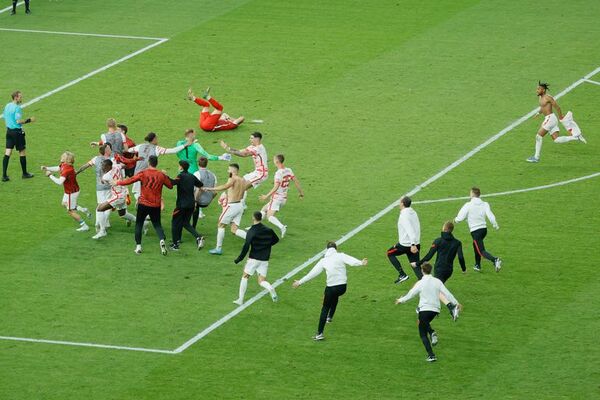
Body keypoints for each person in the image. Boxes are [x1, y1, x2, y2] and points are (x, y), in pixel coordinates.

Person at [293, 241, 368, 341]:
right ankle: (330, 317)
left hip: (331, 288)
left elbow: (312, 273)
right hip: (342, 287)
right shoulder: (341, 255)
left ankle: (319, 333)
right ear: (336, 248)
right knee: (335, 296)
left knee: (325, 308)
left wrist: (300, 282)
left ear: (326, 250)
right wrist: (361, 262)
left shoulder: (323, 260)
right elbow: (351, 261)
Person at [395, 263, 461, 362]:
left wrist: (400, 300)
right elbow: (447, 293)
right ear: (431, 270)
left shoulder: (420, 282)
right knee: (423, 323)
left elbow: (411, 294)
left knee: (422, 333)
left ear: (422, 270)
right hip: (435, 310)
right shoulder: (437, 281)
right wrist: (456, 303)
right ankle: (432, 332)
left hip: (424, 309)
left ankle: (431, 355)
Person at [116, 155, 173, 255]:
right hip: (156, 205)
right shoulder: (161, 175)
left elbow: (130, 180)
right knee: (157, 224)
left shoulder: (143, 173)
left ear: (148, 163)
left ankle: (138, 247)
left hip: (143, 203)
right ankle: (161, 240)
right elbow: (170, 186)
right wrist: (165, 175)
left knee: (139, 224)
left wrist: (118, 182)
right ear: (157, 163)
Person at [527, 81, 586, 163]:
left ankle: (536, 157)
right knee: (556, 139)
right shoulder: (540, 97)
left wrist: (561, 117)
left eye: (538, 89)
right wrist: (538, 113)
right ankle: (576, 137)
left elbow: (557, 107)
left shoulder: (548, 98)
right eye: (537, 89)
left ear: (543, 90)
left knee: (538, 136)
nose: (536, 90)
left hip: (550, 119)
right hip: (551, 119)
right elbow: (542, 107)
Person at [125, 132, 192, 202]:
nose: (157, 140)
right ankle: (142, 203)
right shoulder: (157, 149)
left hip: (138, 173)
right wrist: (185, 145)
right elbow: (172, 150)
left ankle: (140, 203)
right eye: (156, 138)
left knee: (137, 192)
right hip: (149, 175)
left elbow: (129, 150)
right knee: (148, 192)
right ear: (153, 139)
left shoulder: (140, 146)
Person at [233, 211, 280, 305]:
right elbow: (276, 240)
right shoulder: (268, 229)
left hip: (254, 258)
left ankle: (240, 300)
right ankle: (270, 287)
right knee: (261, 281)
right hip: (265, 259)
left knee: (245, 276)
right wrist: (266, 245)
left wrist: (239, 259)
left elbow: (246, 246)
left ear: (253, 218)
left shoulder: (252, 231)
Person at [203, 163, 249, 255]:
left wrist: (209, 189)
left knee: (221, 225)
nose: (227, 171)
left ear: (232, 171)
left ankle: (218, 248)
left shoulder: (232, 178)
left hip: (232, 206)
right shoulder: (243, 180)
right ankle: (255, 240)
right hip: (240, 205)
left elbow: (225, 186)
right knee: (234, 230)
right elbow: (243, 193)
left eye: (228, 169)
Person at [454, 187, 502, 272]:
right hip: (484, 230)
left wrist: (456, 220)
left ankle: (495, 260)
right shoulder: (485, 204)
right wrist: (495, 225)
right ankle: (477, 265)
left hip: (476, 231)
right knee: (475, 245)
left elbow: (461, 217)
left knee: (481, 250)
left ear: (472, 194)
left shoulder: (468, 205)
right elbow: (490, 215)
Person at [41, 152, 90, 231]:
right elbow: (58, 168)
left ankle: (84, 225)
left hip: (71, 192)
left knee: (70, 211)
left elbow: (60, 182)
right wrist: (47, 168)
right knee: (64, 204)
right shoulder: (64, 165)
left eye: (63, 156)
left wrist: (50, 175)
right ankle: (83, 209)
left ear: (67, 159)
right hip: (70, 191)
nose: (61, 156)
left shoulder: (67, 170)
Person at [259, 154, 304, 238]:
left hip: (276, 198)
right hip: (284, 198)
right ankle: (256, 227)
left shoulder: (278, 173)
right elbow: (296, 181)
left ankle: (282, 227)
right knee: (264, 209)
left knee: (269, 217)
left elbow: (276, 187)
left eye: (274, 160)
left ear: (277, 162)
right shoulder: (289, 170)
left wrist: (266, 196)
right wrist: (301, 193)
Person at [220, 131, 268, 207]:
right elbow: (240, 151)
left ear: (257, 139)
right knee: (241, 183)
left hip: (261, 174)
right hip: (256, 172)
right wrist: (228, 148)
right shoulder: (252, 147)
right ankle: (242, 204)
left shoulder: (259, 148)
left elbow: (244, 154)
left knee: (242, 187)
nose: (250, 139)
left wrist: (228, 149)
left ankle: (238, 204)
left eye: (251, 138)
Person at [93, 159, 137, 239]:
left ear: (109, 166)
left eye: (104, 166)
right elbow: (124, 165)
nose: (102, 167)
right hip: (124, 193)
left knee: (99, 208)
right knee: (123, 214)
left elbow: (103, 181)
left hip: (118, 196)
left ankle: (102, 231)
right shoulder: (117, 166)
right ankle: (142, 223)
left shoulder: (106, 176)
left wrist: (102, 180)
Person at [76, 144, 114, 233]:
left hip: (99, 187)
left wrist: (77, 172)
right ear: (106, 151)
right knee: (109, 206)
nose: (110, 149)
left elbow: (85, 166)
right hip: (109, 186)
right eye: (108, 149)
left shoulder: (95, 159)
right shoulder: (111, 160)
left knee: (100, 205)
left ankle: (98, 223)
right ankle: (102, 226)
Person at [169, 160, 205, 251]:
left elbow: (172, 183)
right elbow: (200, 184)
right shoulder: (192, 176)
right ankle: (198, 237)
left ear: (181, 167)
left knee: (175, 223)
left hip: (181, 204)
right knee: (185, 223)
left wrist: (165, 176)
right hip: (191, 204)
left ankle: (175, 244)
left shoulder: (180, 176)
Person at [387, 196, 421, 284]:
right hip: (416, 244)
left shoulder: (404, 216)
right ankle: (424, 282)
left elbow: (410, 230)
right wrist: (415, 244)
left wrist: (412, 244)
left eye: (400, 202)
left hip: (406, 245)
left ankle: (402, 274)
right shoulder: (413, 212)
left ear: (402, 203)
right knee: (415, 265)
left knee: (390, 253)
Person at [3, 90, 35, 181]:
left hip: (9, 132)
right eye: (20, 96)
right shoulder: (17, 108)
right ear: (16, 97)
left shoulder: (7, 105)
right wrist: (29, 120)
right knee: (22, 152)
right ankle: (24, 174)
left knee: (8, 152)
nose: (21, 98)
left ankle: (4, 176)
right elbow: (18, 121)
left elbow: (5, 117)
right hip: (17, 133)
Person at [192, 157, 218, 228]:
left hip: (198, 201)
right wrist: (210, 199)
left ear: (198, 164)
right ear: (207, 164)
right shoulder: (213, 175)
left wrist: (195, 201)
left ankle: (191, 225)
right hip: (208, 201)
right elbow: (215, 192)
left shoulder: (196, 173)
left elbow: (196, 189)